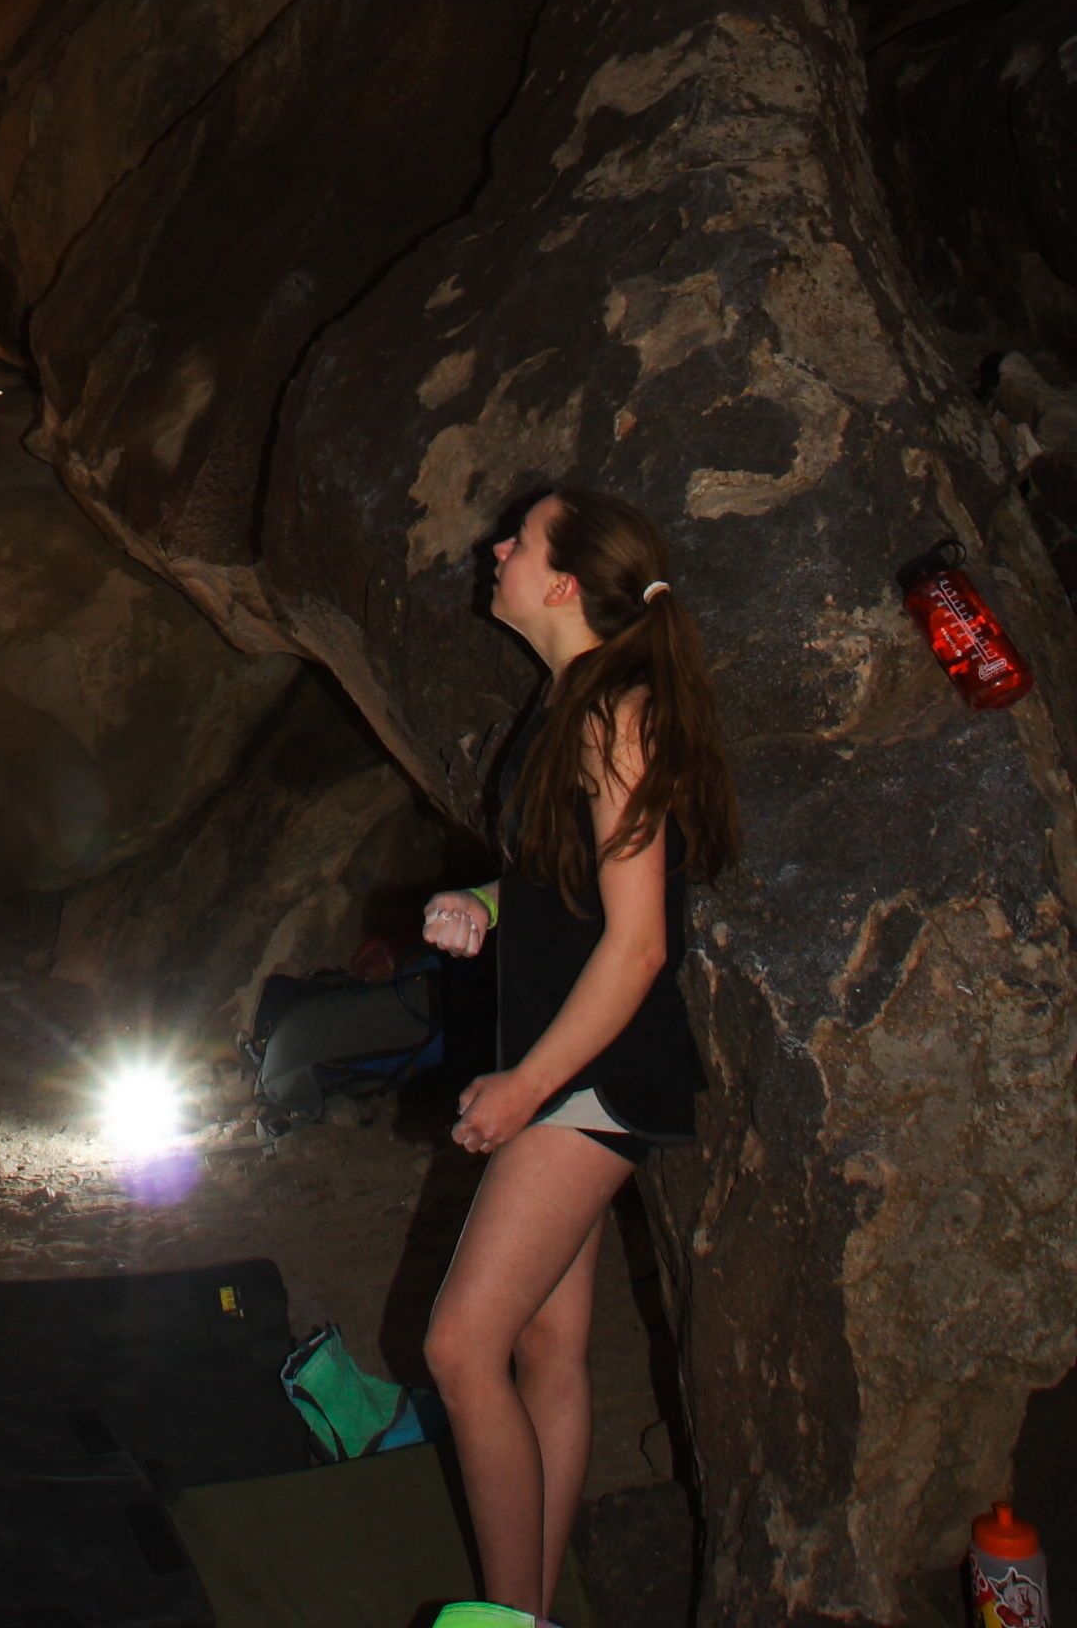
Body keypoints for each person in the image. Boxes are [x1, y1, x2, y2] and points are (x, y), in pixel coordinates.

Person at [419, 484, 737, 1627]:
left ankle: (507, 1621)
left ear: (560, 583)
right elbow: (570, 888)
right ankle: (538, 1609)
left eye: (518, 539)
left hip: (594, 1076)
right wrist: (478, 903)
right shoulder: (568, 706)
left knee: (460, 1349)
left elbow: (640, 943)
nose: (492, 545)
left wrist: (525, 1087)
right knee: (549, 1352)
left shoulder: (616, 715)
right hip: (576, 1068)